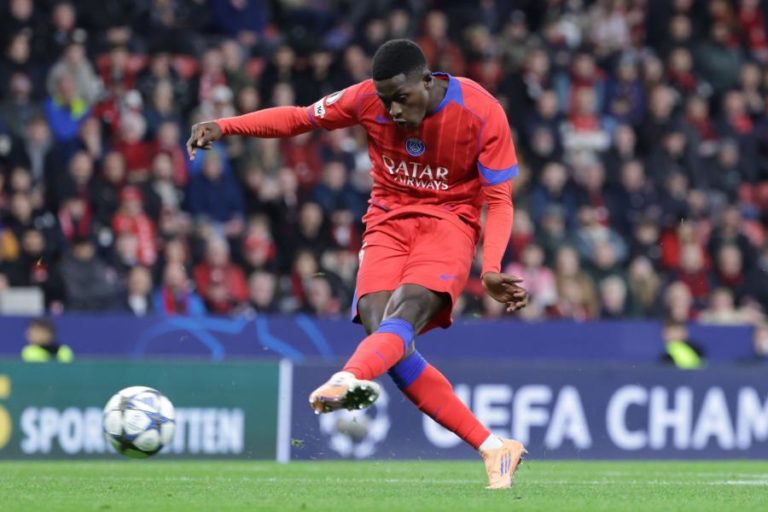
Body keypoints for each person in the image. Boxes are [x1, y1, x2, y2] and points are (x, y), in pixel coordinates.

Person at [187, 39, 528, 489]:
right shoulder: (367, 99)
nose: (393, 112)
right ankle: (493, 448)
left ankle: (346, 377)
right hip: (386, 220)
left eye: (402, 99)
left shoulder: (482, 112)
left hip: (448, 224)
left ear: (427, 82)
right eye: (385, 101)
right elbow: (300, 118)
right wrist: (225, 127)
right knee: (382, 332)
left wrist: (491, 267)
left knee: (404, 313)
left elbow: (499, 200)